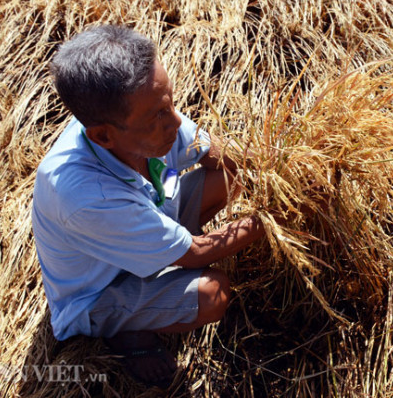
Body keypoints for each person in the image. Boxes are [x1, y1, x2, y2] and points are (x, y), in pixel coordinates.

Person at [32, 24, 265, 388]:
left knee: (232, 178)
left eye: (169, 103)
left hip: (144, 218)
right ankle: (126, 332)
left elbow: (215, 154)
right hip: (103, 289)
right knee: (214, 293)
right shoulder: (85, 196)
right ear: (104, 136)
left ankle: (157, 258)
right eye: (157, 115)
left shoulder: (150, 119)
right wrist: (266, 221)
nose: (175, 121)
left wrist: (280, 173)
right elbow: (196, 254)